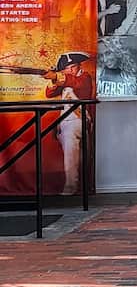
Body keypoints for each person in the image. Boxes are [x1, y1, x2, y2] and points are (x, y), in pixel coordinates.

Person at [44, 52, 94, 194]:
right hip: (67, 122)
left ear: (72, 68)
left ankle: (71, 188)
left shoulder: (84, 78)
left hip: (78, 121)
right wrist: (52, 78)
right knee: (75, 158)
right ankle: (78, 188)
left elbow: (76, 83)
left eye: (65, 70)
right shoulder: (67, 80)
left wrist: (57, 76)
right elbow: (49, 93)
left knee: (74, 158)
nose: (63, 73)